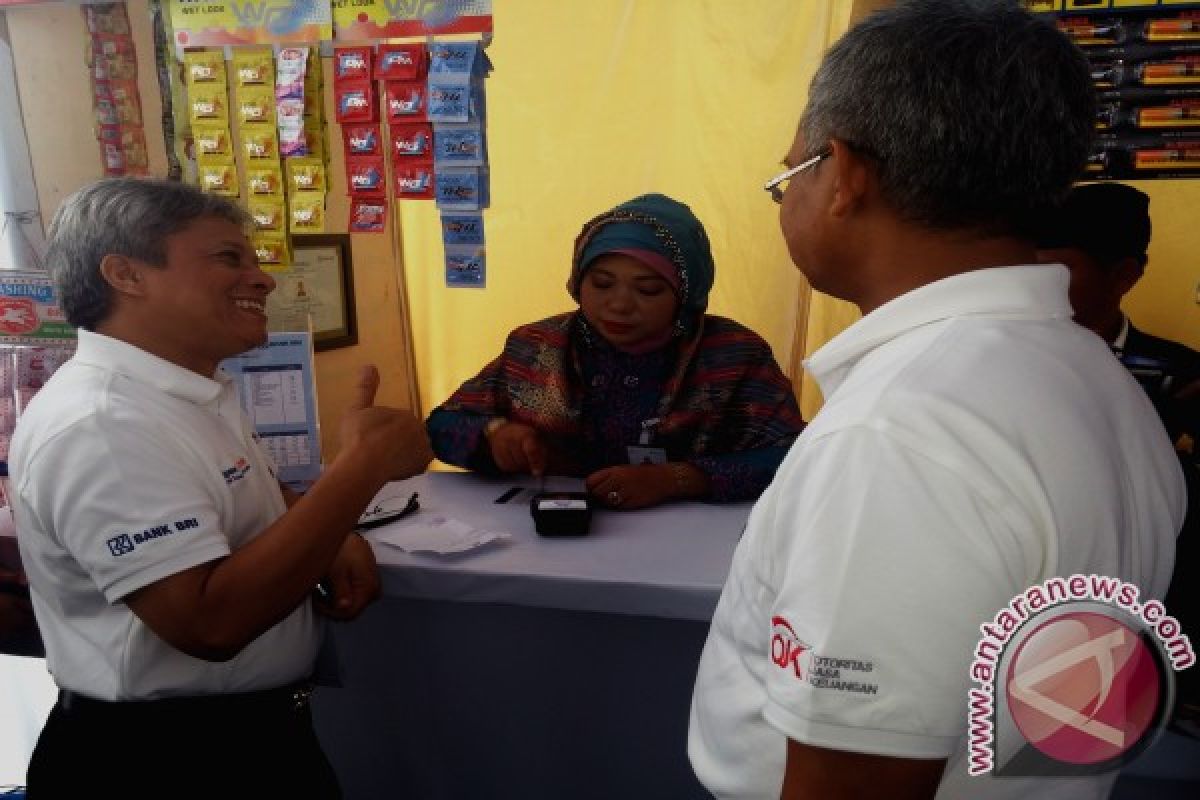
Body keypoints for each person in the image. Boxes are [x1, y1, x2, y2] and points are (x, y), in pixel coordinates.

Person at [688, 2, 1185, 799]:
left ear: (845, 175)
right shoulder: (1093, 379)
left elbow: (853, 781)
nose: (785, 203)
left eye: (788, 178)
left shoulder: (900, 433)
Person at [9, 177, 433, 798]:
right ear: (126, 274)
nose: (262, 279)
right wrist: (359, 470)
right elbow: (208, 622)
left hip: (253, 738)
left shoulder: (185, 392)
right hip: (165, 764)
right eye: (229, 258)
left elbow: (237, 494)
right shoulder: (103, 423)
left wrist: (329, 530)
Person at [426, 193, 805, 509]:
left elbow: (794, 457)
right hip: (547, 544)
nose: (619, 305)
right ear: (578, 281)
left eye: (648, 290)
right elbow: (441, 426)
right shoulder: (538, 346)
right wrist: (495, 434)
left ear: (685, 295)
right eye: (602, 284)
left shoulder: (734, 357)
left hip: (689, 550)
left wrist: (676, 480)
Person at [1035, 181, 1199, 462]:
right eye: (1030, 268)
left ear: (1124, 276)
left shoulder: (1184, 374)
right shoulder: (1002, 356)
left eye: (1057, 269)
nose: (1036, 283)